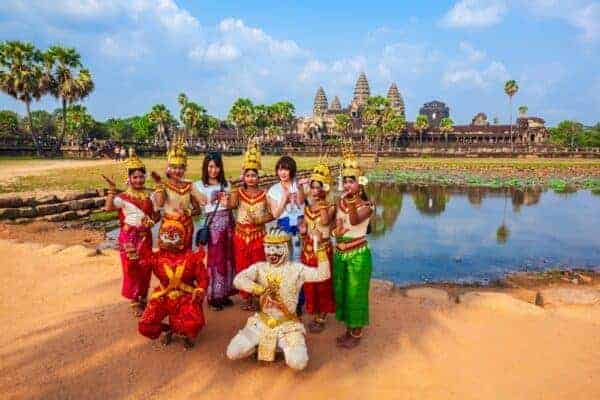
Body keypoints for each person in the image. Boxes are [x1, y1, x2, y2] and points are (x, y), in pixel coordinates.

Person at [226, 228, 331, 371]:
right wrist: (260, 290)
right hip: (262, 323)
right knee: (232, 352)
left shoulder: (296, 269)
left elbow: (323, 274)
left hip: (287, 326)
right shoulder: (260, 268)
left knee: (298, 363)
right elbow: (238, 280)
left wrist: (318, 245)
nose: (271, 253)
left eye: (276, 248)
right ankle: (260, 345)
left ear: (287, 249)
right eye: (268, 248)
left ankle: (283, 346)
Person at [137, 218, 208, 349]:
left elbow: (203, 278)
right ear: (160, 237)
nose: (168, 239)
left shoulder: (192, 258)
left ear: (182, 238)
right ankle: (170, 329)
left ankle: (182, 330)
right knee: (145, 326)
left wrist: (200, 290)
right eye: (165, 235)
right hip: (163, 295)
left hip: (186, 296)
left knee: (194, 325)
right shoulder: (156, 257)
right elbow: (142, 258)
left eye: (174, 236)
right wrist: (145, 231)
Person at [102, 148, 157, 316]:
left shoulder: (150, 196)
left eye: (141, 176)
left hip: (145, 236)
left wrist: (152, 221)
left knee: (146, 266)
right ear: (129, 178)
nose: (139, 180)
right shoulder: (123, 197)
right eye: (135, 177)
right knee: (131, 267)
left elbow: (156, 214)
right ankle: (134, 300)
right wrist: (112, 189)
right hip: (129, 238)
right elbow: (108, 207)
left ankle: (143, 297)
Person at [332, 146, 373, 349]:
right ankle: (348, 328)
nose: (348, 184)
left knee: (355, 292)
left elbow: (355, 221)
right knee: (342, 291)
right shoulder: (339, 202)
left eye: (352, 181)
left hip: (358, 254)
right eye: (346, 181)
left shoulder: (367, 205)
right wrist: (335, 233)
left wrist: (352, 203)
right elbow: (335, 226)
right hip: (340, 253)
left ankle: (356, 332)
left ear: (360, 183)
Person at [228, 140, 272, 311]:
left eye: (254, 175)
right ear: (244, 177)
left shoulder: (264, 194)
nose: (251, 178)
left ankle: (258, 297)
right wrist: (233, 187)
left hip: (258, 236)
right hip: (240, 235)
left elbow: (272, 214)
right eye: (247, 175)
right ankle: (246, 298)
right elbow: (231, 206)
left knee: (258, 267)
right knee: (242, 267)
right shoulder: (239, 192)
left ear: (258, 177)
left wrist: (260, 220)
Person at [194, 151, 235, 311]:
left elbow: (232, 205)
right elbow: (199, 204)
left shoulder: (226, 185)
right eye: (211, 166)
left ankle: (224, 293)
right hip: (214, 227)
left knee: (228, 259)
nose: (214, 170)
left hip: (228, 224)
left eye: (217, 167)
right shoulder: (198, 185)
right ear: (206, 167)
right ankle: (213, 296)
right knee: (215, 261)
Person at [298, 161, 336, 333]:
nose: (314, 191)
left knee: (323, 283)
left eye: (318, 187)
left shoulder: (330, 206)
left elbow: (326, 221)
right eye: (312, 187)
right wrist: (303, 231)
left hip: (322, 249)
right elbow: (304, 231)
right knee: (310, 283)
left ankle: (322, 316)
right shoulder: (307, 207)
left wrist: (321, 204)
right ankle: (313, 311)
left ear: (325, 188)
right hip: (307, 251)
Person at [152, 134, 204, 251]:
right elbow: (159, 204)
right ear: (168, 168)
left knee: (185, 261)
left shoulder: (189, 186)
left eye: (181, 168)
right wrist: (159, 184)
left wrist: (187, 212)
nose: (177, 171)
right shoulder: (164, 185)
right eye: (174, 167)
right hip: (168, 227)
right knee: (167, 260)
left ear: (185, 169)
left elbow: (198, 210)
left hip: (186, 226)